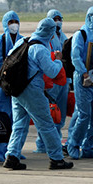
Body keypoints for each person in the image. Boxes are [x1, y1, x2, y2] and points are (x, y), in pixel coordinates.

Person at [2, 18, 74, 171]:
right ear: (50, 33)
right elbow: (52, 72)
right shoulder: (40, 49)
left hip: (17, 89)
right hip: (32, 91)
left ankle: (12, 156)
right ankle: (56, 158)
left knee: (19, 124)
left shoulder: (22, 42)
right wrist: (58, 61)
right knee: (46, 124)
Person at [65, 7, 93, 159]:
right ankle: (73, 144)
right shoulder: (81, 34)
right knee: (84, 115)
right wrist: (84, 73)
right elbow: (75, 56)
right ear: (89, 17)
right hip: (83, 80)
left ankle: (88, 146)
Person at [0, 10, 22, 162]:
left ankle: (12, 149)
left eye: (16, 22)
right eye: (10, 22)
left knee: (16, 119)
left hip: (17, 85)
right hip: (1, 85)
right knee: (1, 118)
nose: (13, 25)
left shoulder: (22, 41)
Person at [38, 9, 69, 152]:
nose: (58, 22)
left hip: (62, 78)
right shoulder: (46, 38)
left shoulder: (63, 36)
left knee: (59, 113)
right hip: (51, 78)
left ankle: (56, 141)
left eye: (59, 19)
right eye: (54, 19)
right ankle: (42, 143)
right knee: (48, 112)